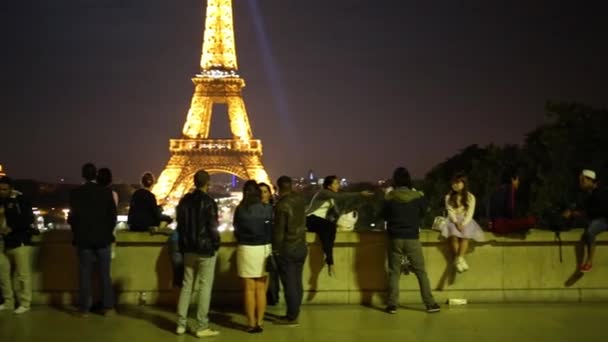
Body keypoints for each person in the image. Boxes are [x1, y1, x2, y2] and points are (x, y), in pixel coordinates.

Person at [382, 167, 440, 314]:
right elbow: (424, 212)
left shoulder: (390, 197)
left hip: (395, 237)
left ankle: (392, 305)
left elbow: (382, 215)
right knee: (421, 272)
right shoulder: (417, 196)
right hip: (412, 237)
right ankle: (430, 303)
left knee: (394, 272)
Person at [175, 170, 221, 337]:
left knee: (187, 286)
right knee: (204, 288)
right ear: (208, 183)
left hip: (188, 249)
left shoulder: (184, 202)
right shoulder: (209, 202)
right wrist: (215, 244)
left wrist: (183, 244)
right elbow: (213, 228)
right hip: (205, 249)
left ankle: (180, 324)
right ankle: (202, 326)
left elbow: (180, 226)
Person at [68, 163, 117, 317]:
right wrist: (106, 234)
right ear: (95, 175)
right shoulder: (106, 192)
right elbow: (112, 218)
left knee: (84, 275)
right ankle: (108, 307)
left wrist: (78, 233)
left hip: (84, 241)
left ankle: (84, 309)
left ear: (83, 175)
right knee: (105, 275)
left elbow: (72, 218)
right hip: (103, 240)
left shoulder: (76, 193)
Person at [305, 175, 372, 276]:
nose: (338, 185)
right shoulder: (323, 192)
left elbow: (336, 212)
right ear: (329, 186)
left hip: (318, 221)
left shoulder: (331, 198)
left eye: (338, 183)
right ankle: (329, 260)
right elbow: (341, 196)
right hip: (309, 219)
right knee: (329, 227)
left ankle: (329, 259)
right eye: (336, 183)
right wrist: (360, 194)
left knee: (330, 229)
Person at [233, 180, 273, 333]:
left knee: (249, 289)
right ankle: (260, 322)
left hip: (246, 249)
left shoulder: (240, 209)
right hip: (263, 248)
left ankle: (251, 323)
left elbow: (236, 230)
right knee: (261, 288)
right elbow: (270, 229)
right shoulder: (267, 209)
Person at [273, 176, 308, 326]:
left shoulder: (281, 206)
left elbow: (279, 232)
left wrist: (276, 250)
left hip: (288, 248)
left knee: (289, 284)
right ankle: (295, 311)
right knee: (297, 282)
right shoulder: (300, 200)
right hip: (301, 246)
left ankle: (292, 316)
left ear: (278, 187)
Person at [0, 176, 35, 314]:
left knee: (23, 274)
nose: (2, 191)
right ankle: (9, 301)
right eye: (0, 189)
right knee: (4, 275)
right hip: (5, 243)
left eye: (4, 189)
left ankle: (25, 303)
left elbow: (28, 219)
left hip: (20, 242)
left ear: (10, 189)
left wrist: (12, 228)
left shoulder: (20, 200)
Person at [563, 169, 608, 272]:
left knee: (590, 231)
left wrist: (582, 214)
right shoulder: (587, 194)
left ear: (591, 180)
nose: (580, 184)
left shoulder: (602, 192)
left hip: (605, 220)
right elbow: (583, 207)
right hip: (596, 218)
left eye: (583, 181)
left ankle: (589, 262)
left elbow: (602, 211)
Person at [440, 173, 485, 273]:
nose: (455, 185)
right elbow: (450, 211)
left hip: (465, 219)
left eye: (457, 182)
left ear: (464, 183)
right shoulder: (448, 197)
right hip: (453, 219)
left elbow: (470, 213)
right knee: (453, 235)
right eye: (453, 183)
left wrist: (463, 224)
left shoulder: (470, 197)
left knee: (466, 235)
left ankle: (458, 259)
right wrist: (456, 223)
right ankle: (459, 259)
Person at [488, 168, 536, 234]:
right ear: (512, 180)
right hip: (502, 225)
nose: (518, 182)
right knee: (531, 220)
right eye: (517, 179)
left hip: (494, 224)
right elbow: (510, 211)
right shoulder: (510, 189)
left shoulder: (498, 189)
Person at [260, 182, 280, 306]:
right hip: (259, 245)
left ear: (270, 193)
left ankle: (272, 297)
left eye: (265, 191)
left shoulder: (274, 209)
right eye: (260, 192)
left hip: (271, 245)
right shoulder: (257, 210)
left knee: (272, 274)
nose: (262, 194)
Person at [97, 168, 118, 259]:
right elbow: (113, 216)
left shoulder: (92, 194)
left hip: (91, 235)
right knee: (105, 269)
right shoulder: (112, 194)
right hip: (106, 237)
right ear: (110, 180)